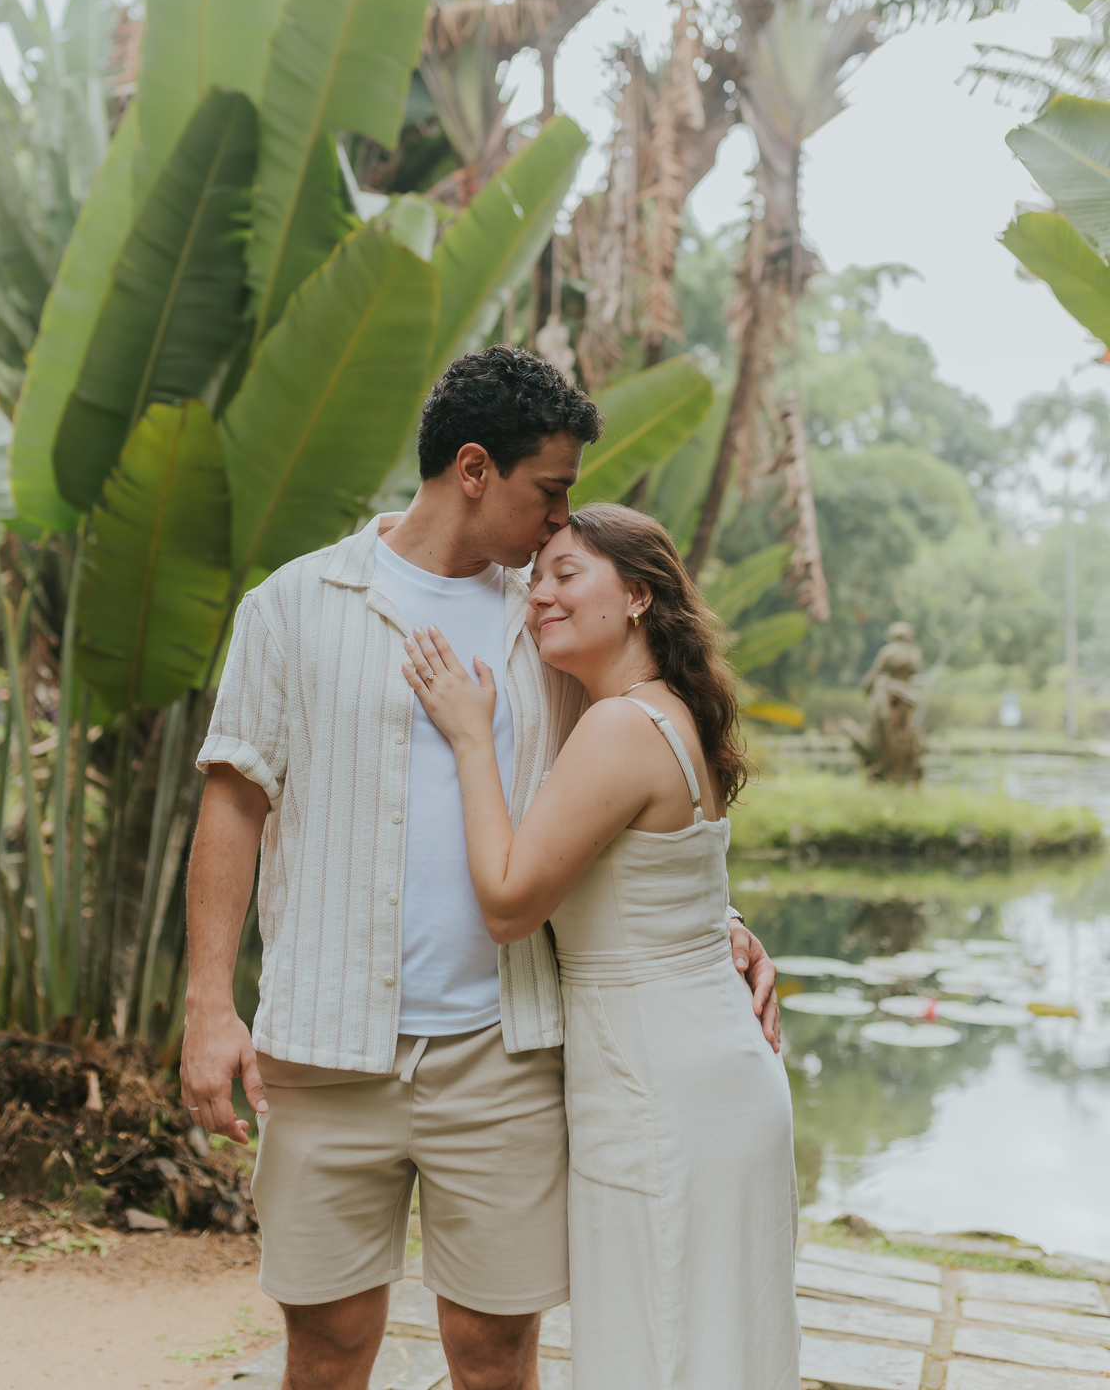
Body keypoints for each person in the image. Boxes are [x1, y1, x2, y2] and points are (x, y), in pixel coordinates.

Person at [180, 347, 781, 1390]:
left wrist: (703, 923)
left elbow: (623, 796)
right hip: (327, 1053)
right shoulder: (294, 605)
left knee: (495, 1355)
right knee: (324, 1349)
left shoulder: (549, 621)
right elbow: (234, 801)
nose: (561, 523)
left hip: (506, 1052)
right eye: (549, 492)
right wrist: (206, 1008)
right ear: (473, 470)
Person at [402, 501, 799, 1390]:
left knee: (657, 1345)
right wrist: (731, 928)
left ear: (638, 598)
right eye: (534, 575)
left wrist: (470, 735)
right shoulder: (662, 713)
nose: (538, 593)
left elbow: (508, 904)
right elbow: (664, 887)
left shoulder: (620, 725)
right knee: (706, 1342)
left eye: (565, 573)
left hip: (657, 1081)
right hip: (701, 1066)